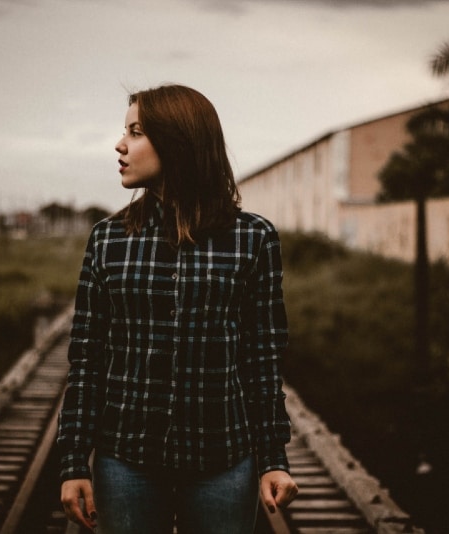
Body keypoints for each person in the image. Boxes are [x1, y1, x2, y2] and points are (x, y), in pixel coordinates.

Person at [58, 83, 297, 533]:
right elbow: (86, 359)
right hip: (126, 460)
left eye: (136, 132)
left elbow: (262, 359)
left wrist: (273, 459)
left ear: (177, 141)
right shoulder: (108, 239)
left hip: (222, 460)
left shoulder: (253, 239)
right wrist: (73, 461)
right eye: (125, 131)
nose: (120, 144)